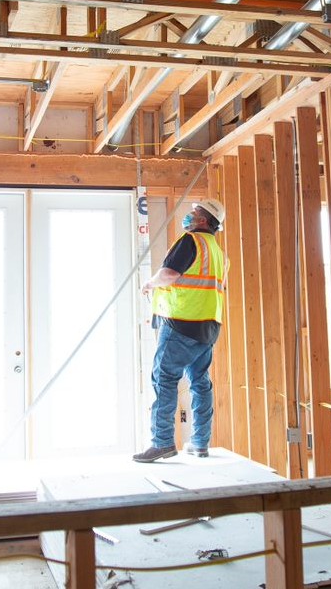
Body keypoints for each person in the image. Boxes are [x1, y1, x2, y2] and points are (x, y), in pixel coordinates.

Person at [133, 198, 227, 463]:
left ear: (204, 220)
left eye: (194, 213)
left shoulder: (191, 241)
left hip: (182, 324)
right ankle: (200, 442)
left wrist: (150, 284)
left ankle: (162, 442)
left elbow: (169, 274)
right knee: (200, 381)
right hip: (208, 326)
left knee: (164, 377)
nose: (189, 215)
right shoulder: (216, 250)